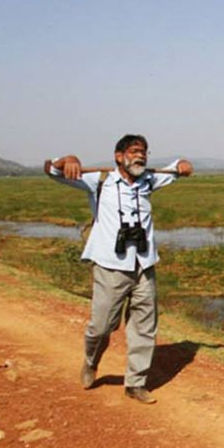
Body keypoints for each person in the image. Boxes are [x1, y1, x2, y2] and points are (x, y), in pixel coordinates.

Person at [44, 134, 193, 404]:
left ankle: (135, 384)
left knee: (144, 327)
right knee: (101, 327)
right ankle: (91, 361)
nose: (141, 156)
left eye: (144, 152)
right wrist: (67, 160)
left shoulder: (149, 179)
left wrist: (183, 164)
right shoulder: (98, 181)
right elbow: (52, 171)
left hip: (144, 265)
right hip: (111, 267)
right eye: (135, 151)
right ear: (118, 156)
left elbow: (177, 168)